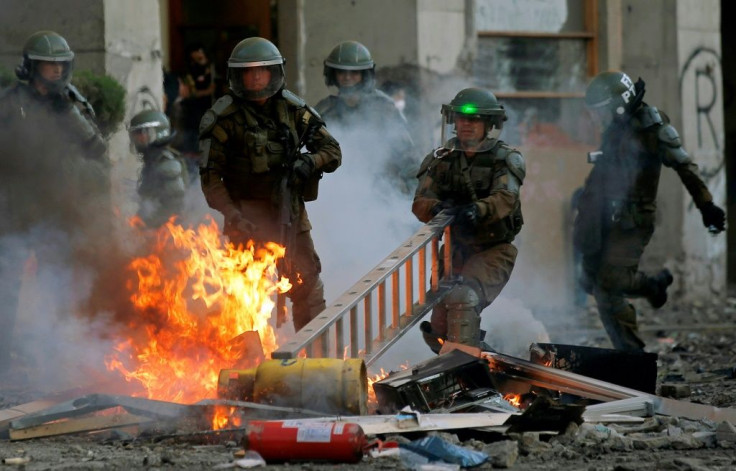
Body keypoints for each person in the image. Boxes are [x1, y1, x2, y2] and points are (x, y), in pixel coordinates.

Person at [573, 70, 726, 352]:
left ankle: (631, 354)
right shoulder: (617, 127)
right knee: (591, 281)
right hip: (602, 216)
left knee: (610, 283)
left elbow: (684, 165)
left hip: (633, 220)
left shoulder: (651, 127)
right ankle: (650, 293)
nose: (596, 119)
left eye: (600, 111)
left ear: (618, 104)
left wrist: (706, 205)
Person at [198, 37, 342, 332]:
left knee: (307, 283)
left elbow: (333, 152)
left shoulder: (293, 110)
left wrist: (308, 162)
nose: (256, 78)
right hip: (246, 217)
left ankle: (314, 357)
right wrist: (233, 214)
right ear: (237, 76)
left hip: (290, 211)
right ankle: (247, 365)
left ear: (274, 72)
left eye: (262, 71)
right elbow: (211, 180)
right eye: (249, 72)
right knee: (244, 293)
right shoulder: (223, 118)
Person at [0, 31, 109, 371]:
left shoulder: (72, 103)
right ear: (32, 67)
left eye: (61, 65)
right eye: (49, 66)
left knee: (58, 281)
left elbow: (97, 148)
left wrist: (68, 112)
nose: (57, 72)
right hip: (16, 208)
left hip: (57, 208)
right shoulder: (10, 102)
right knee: (8, 284)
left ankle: (53, 354)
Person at [412, 88, 525, 352]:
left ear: (488, 124)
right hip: (454, 250)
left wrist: (477, 210)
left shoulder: (505, 159)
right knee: (439, 329)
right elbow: (420, 202)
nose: (466, 124)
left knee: (464, 298)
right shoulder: (441, 158)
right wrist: (439, 208)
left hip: (493, 249)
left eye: (473, 120)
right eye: (461, 118)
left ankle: (469, 374)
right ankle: (479, 363)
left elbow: (506, 198)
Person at [315, 41, 416, 193]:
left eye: (354, 73)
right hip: (338, 190)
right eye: (342, 72)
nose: (347, 78)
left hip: (381, 190)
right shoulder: (324, 110)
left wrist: (415, 196)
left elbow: (407, 157)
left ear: (364, 74)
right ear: (333, 74)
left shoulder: (384, 108)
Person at [128, 109, 189, 228]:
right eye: (136, 133)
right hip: (158, 229)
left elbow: (174, 205)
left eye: (141, 132)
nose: (136, 138)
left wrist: (148, 225)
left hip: (168, 233)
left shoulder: (166, 163)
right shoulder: (153, 160)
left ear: (154, 132)